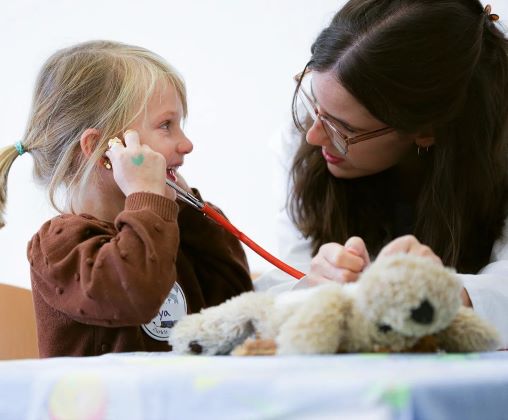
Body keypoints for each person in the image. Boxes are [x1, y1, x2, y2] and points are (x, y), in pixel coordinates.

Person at [256, 0, 508, 349]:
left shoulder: (497, 147)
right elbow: (287, 274)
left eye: (342, 128)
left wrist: (446, 294)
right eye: (314, 102)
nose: (314, 135)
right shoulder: (313, 121)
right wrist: (310, 284)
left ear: (426, 131)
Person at [0, 40, 253, 357]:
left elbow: (235, 296)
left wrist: (189, 212)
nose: (186, 144)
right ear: (103, 150)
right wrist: (148, 198)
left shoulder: (164, 227)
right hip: (104, 407)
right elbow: (137, 294)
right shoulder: (59, 246)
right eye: (166, 125)